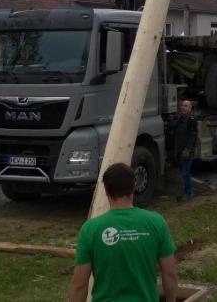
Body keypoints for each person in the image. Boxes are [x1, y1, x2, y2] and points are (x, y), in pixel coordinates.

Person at [70, 163, 177, 302]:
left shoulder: (90, 229)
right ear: (134, 186)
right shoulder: (156, 222)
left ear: (106, 190)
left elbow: (79, 285)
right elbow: (170, 273)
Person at [172, 100, 198, 202]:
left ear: (190, 108)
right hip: (178, 151)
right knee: (183, 173)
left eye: (186, 106)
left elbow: (192, 136)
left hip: (186, 152)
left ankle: (188, 193)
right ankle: (186, 191)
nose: (183, 107)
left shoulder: (192, 120)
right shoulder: (180, 119)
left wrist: (187, 149)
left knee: (185, 173)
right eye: (182, 105)